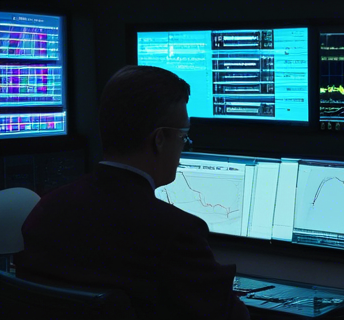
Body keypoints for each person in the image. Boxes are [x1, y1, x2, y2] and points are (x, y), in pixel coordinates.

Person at [15, 65, 250, 319]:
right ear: (159, 139)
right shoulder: (174, 233)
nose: (183, 151)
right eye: (183, 137)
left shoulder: (45, 210)